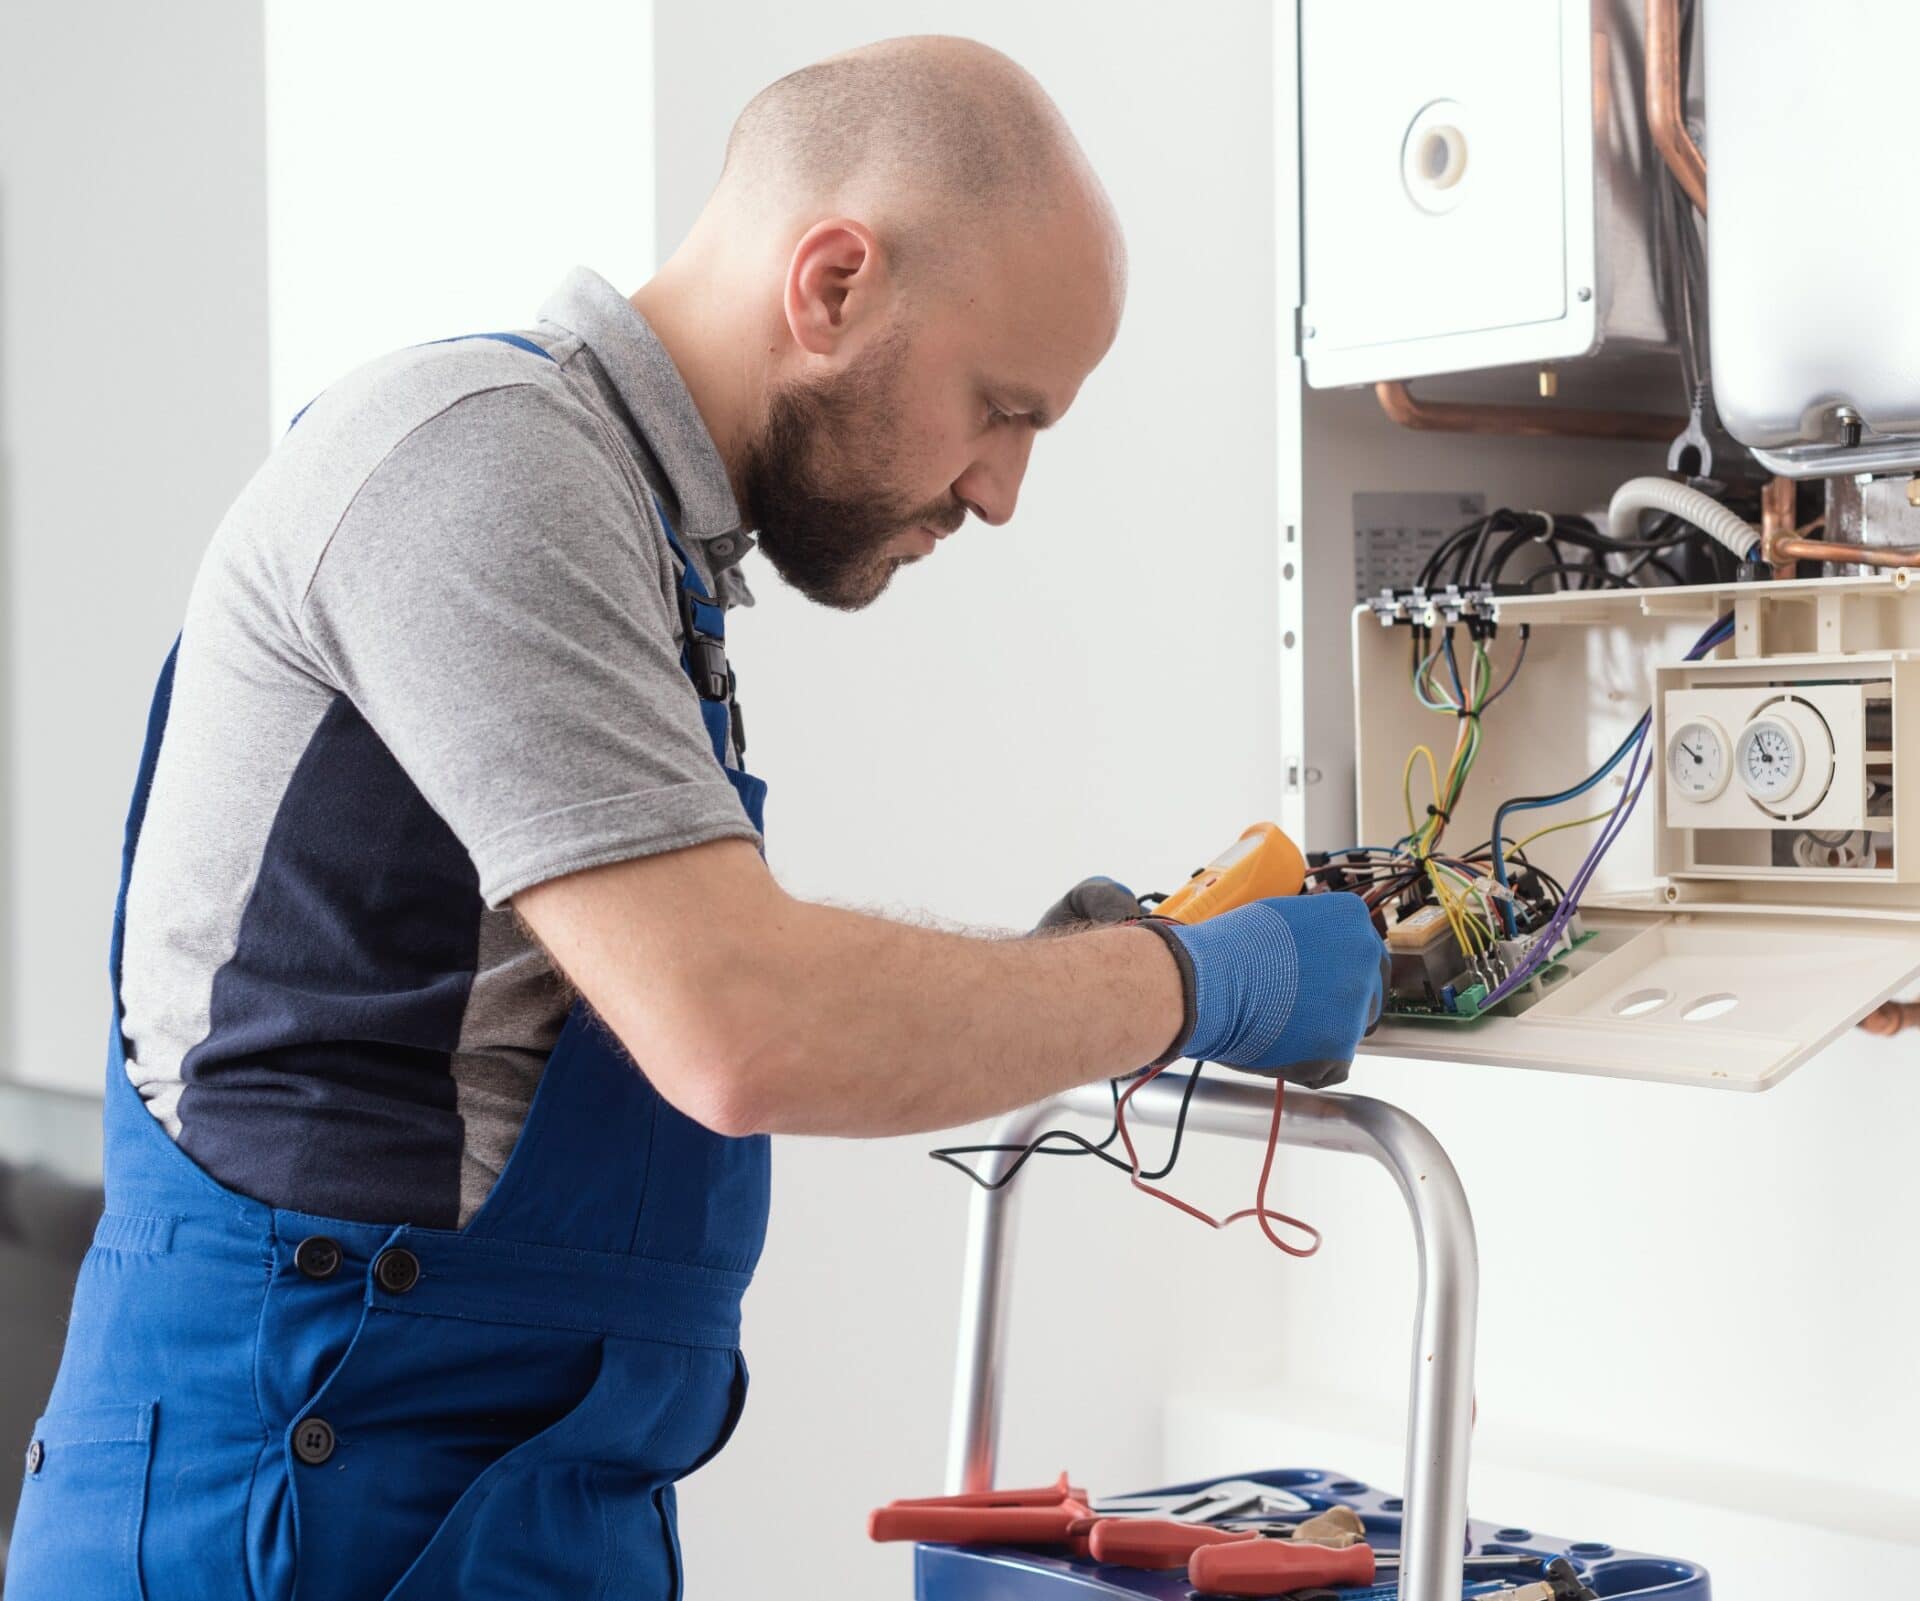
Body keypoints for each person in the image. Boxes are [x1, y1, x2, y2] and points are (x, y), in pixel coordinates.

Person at [7, 35, 1386, 1601]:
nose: (1000, 490)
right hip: (291, 1518)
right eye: (1000, 410)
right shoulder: (486, 462)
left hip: (502, 1513)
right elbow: (739, 1019)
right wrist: (1195, 985)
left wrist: (1103, 972)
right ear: (833, 285)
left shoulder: (638, 546)